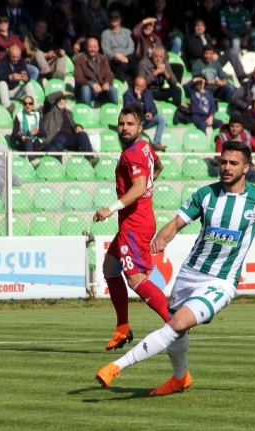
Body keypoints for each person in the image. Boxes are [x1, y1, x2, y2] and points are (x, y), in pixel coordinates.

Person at [96, 140, 255, 395]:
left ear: (246, 167)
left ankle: (117, 366)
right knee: (177, 329)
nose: (226, 167)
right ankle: (180, 379)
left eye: (233, 163)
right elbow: (176, 223)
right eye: (223, 162)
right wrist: (162, 237)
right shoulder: (206, 194)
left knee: (178, 323)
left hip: (221, 282)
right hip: (189, 275)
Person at [91, 104, 170, 354]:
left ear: (140, 127)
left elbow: (137, 188)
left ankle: (176, 322)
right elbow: (158, 168)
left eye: (130, 124)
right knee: (110, 267)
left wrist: (110, 209)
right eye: (121, 124)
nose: (124, 128)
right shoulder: (145, 146)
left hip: (135, 224)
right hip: (139, 220)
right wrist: (147, 187)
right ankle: (123, 327)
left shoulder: (131, 153)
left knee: (136, 280)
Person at [185, 18, 246, 83]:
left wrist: (216, 54)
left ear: (204, 28)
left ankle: (242, 77)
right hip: (201, 64)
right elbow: (195, 52)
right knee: (227, 77)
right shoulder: (190, 39)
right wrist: (210, 54)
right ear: (194, 28)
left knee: (230, 52)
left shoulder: (207, 38)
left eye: (201, 26)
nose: (199, 28)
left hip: (213, 62)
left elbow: (215, 49)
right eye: (197, 26)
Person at [212, 113, 255, 184]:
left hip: (244, 166)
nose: (234, 129)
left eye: (237, 126)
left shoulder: (246, 135)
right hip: (228, 167)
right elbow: (219, 156)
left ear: (242, 127)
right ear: (229, 126)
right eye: (232, 126)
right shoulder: (221, 137)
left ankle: (247, 192)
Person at [42, 91, 93, 157]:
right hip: (56, 137)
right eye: (61, 98)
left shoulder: (69, 113)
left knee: (83, 135)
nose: (62, 100)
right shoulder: (50, 110)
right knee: (58, 145)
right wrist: (61, 93)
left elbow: (73, 124)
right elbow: (48, 98)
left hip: (69, 138)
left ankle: (90, 159)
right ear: (56, 99)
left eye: (64, 99)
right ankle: (59, 166)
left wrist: (77, 126)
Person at [0, 14, 39, 81]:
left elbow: (21, 47)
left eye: (5, 21)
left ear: (8, 24)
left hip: (16, 64)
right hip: (2, 64)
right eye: (0, 21)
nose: (2, 23)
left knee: (34, 70)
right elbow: (2, 44)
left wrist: (10, 47)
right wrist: (14, 45)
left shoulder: (14, 36)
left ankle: (27, 88)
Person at [123, 76, 166, 151]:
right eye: (137, 85)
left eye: (141, 86)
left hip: (145, 121)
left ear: (145, 86)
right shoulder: (128, 95)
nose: (139, 88)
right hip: (134, 123)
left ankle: (156, 143)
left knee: (161, 117)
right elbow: (129, 111)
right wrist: (138, 98)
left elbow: (154, 108)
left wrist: (151, 114)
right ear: (134, 84)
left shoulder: (148, 93)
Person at [74, 38, 118, 106]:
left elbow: (109, 75)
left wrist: (106, 83)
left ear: (98, 48)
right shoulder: (79, 60)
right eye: (90, 47)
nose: (92, 49)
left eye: (94, 47)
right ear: (86, 47)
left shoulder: (103, 59)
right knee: (85, 89)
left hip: (101, 90)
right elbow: (78, 79)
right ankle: (88, 113)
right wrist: (92, 85)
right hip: (87, 91)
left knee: (113, 89)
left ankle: (115, 113)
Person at [0, 44, 36, 112]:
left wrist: (26, 78)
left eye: (18, 57)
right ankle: (7, 107)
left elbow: (28, 77)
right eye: (13, 57)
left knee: (29, 84)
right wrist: (10, 77)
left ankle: (34, 107)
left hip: (14, 90)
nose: (16, 59)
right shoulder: (1, 62)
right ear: (8, 54)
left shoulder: (22, 62)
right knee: (2, 83)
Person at [101, 10, 138, 85]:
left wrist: (123, 55)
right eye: (112, 17)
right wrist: (117, 56)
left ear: (120, 19)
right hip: (114, 59)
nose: (114, 19)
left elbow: (131, 46)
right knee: (119, 67)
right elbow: (106, 49)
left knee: (137, 60)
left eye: (116, 17)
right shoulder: (106, 33)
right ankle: (122, 85)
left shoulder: (127, 32)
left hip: (127, 57)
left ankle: (137, 85)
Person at [12, 95, 46, 162]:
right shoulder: (19, 116)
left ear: (33, 105)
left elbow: (43, 133)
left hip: (35, 142)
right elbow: (15, 132)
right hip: (23, 142)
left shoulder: (38, 115)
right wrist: (21, 137)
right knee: (28, 140)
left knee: (49, 146)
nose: (27, 105)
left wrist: (38, 132)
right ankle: (32, 160)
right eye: (25, 103)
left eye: (30, 103)